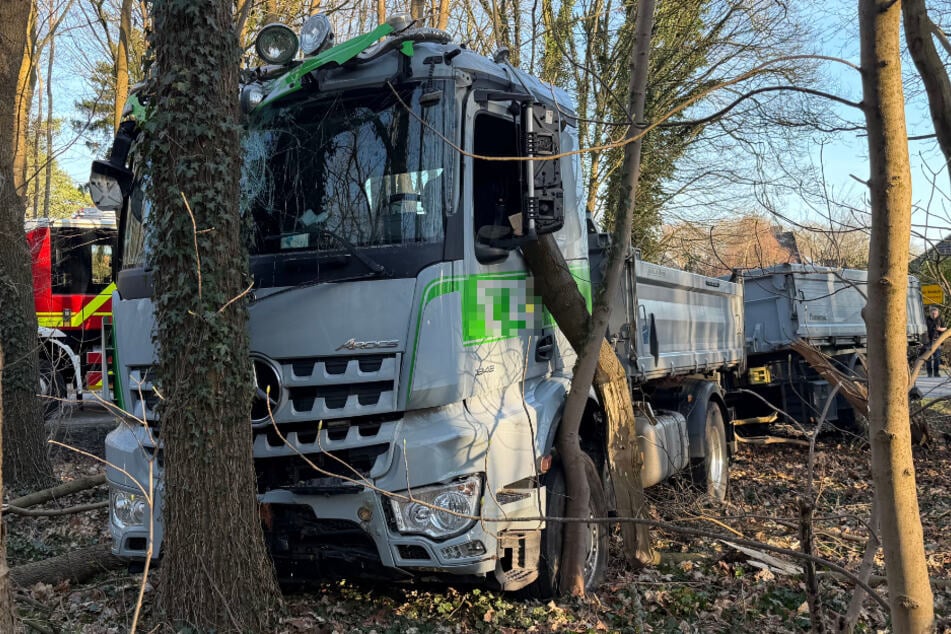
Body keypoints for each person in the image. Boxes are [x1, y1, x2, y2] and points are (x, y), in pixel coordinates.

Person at [926, 305, 947, 377]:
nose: (934, 314)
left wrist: (939, 329)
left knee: (937, 357)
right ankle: (929, 372)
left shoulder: (940, 319)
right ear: (930, 313)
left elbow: (945, 328)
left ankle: (936, 372)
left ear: (938, 313)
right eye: (932, 313)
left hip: (937, 341)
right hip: (928, 341)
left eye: (935, 313)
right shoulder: (926, 319)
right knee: (927, 357)